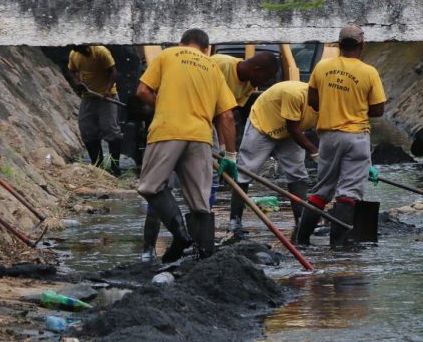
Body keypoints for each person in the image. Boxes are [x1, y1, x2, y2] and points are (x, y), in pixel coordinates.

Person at [140, 51, 278, 261]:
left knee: (205, 185)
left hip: (203, 126)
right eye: (265, 77)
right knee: (164, 184)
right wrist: (228, 152)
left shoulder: (248, 85)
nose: (264, 83)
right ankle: (149, 249)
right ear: (256, 69)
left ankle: (200, 248)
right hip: (176, 122)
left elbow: (223, 115)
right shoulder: (218, 64)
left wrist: (222, 149)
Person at [135, 28, 238, 263]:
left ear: (181, 43)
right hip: (201, 137)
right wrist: (230, 155)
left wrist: (162, 107)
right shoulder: (213, 66)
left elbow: (143, 91)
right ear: (206, 49)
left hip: (167, 130)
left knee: (150, 187)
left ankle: (181, 236)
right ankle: (204, 259)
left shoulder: (167, 54)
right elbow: (227, 116)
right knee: (200, 203)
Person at [295, 24, 386, 246]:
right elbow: (378, 110)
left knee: (322, 190)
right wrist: (356, 105)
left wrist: (332, 104)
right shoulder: (369, 72)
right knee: (348, 193)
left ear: (338, 45)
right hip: (356, 137)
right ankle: (338, 247)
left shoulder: (322, 67)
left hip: (329, 137)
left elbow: (313, 101)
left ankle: (302, 240)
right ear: (362, 45)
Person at [227, 81, 320, 239]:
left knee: (297, 173)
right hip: (265, 124)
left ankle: (301, 220)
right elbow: (292, 128)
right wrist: (314, 151)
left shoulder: (328, 102)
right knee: (246, 171)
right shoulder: (295, 94)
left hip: (292, 128)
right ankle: (234, 221)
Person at [68, 45, 124, 176]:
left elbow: (113, 72)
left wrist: (107, 90)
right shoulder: (74, 55)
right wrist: (77, 81)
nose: (83, 51)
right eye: (79, 50)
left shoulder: (101, 51)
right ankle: (97, 166)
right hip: (88, 96)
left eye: (84, 49)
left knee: (110, 129)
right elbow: (72, 70)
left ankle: (115, 167)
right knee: (87, 129)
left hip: (107, 97)